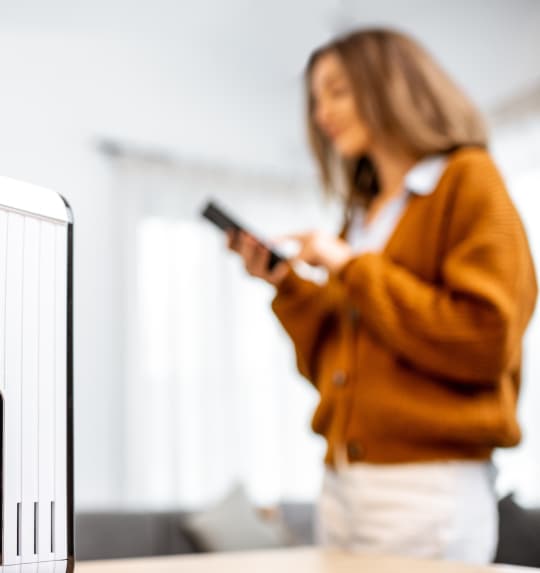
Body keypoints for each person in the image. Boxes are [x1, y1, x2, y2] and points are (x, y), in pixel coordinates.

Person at [228, 28, 537, 564]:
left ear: (391, 86)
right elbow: (336, 364)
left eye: (338, 91)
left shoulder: (467, 180)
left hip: (425, 489)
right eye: (317, 98)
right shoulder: (365, 217)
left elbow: (484, 340)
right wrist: (291, 288)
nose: (323, 112)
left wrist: (350, 266)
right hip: (345, 483)